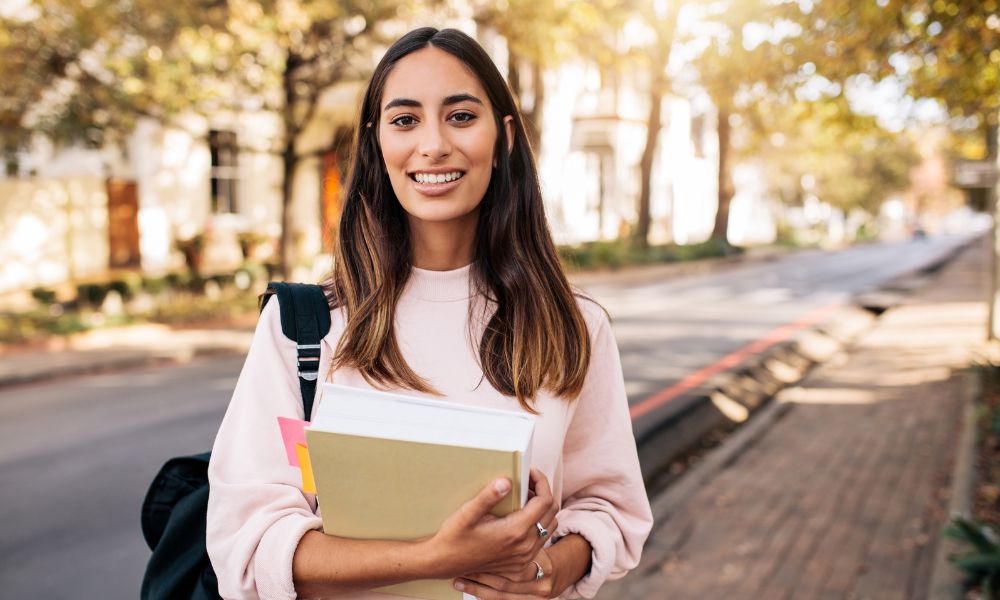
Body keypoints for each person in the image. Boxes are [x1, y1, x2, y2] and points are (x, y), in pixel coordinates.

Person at [207, 26, 653, 600]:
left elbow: (608, 509)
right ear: (376, 143)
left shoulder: (574, 327)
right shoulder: (304, 329)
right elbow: (244, 542)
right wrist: (430, 559)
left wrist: (548, 574)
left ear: (506, 138)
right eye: (405, 119)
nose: (434, 144)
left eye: (462, 116)